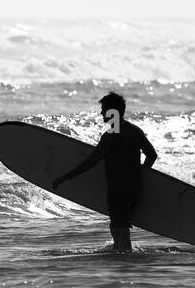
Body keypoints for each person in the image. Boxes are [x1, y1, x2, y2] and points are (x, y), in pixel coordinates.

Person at [52, 92, 157, 253]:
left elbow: (90, 162)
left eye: (104, 109)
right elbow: (152, 155)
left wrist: (65, 178)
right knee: (120, 225)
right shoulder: (135, 131)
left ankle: (125, 262)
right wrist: (141, 175)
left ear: (113, 112)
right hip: (135, 189)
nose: (102, 113)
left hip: (117, 189)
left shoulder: (110, 137)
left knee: (118, 226)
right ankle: (124, 258)